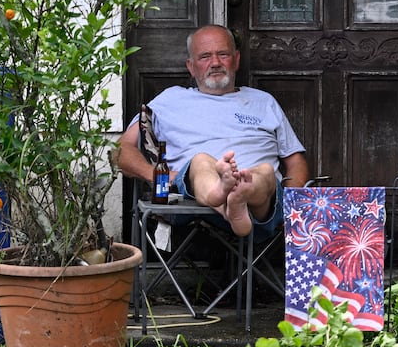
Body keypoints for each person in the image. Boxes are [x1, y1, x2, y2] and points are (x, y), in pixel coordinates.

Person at [116, 24, 311, 236]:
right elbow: (122, 150)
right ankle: (230, 200)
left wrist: (294, 201)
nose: (215, 63)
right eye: (205, 56)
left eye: (223, 54)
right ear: (191, 66)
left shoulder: (263, 102)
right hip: (193, 205)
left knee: (264, 172)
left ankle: (235, 195)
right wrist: (161, 178)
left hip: (263, 204)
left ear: (236, 60)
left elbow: (295, 162)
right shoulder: (169, 100)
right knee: (201, 161)